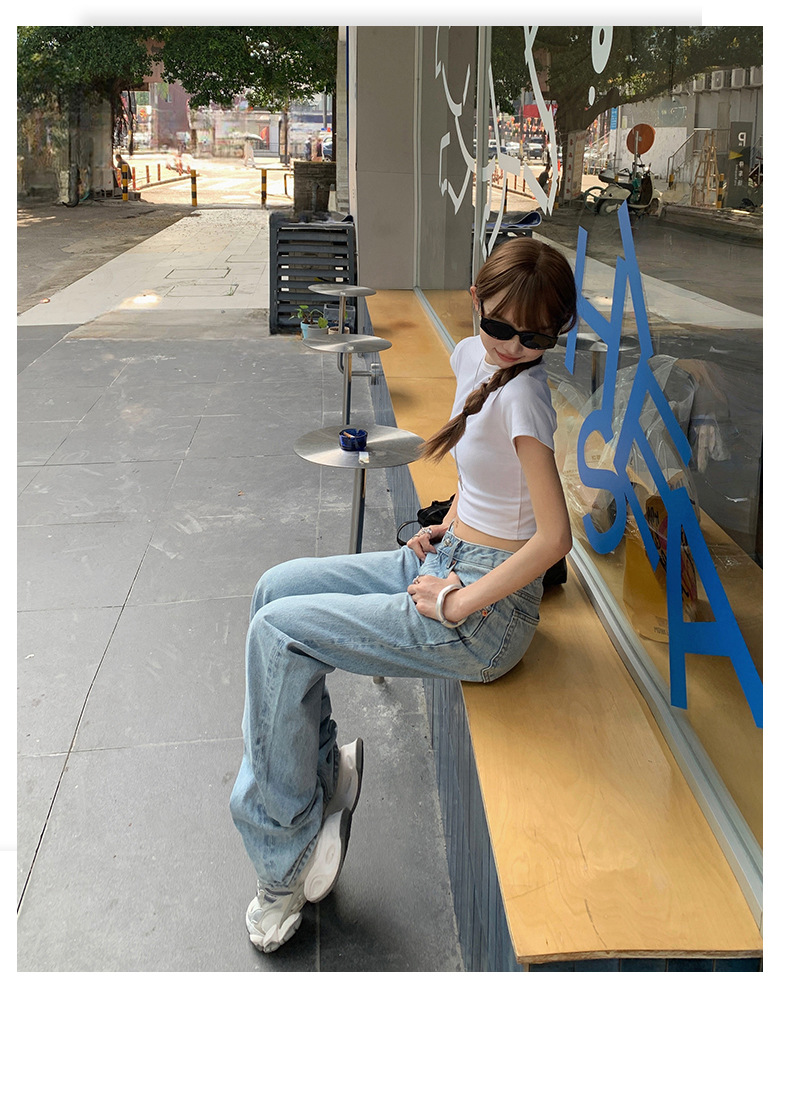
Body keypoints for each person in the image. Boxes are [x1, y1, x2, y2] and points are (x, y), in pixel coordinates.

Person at [229, 237, 578, 953]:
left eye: (536, 337)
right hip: (449, 557)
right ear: (475, 302)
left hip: (483, 616)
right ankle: (319, 779)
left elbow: (553, 539)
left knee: (279, 635)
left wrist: (459, 601)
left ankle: (284, 863)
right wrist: (446, 524)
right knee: (273, 590)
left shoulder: (526, 397)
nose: (514, 347)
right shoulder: (470, 357)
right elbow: (489, 483)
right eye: (500, 326)